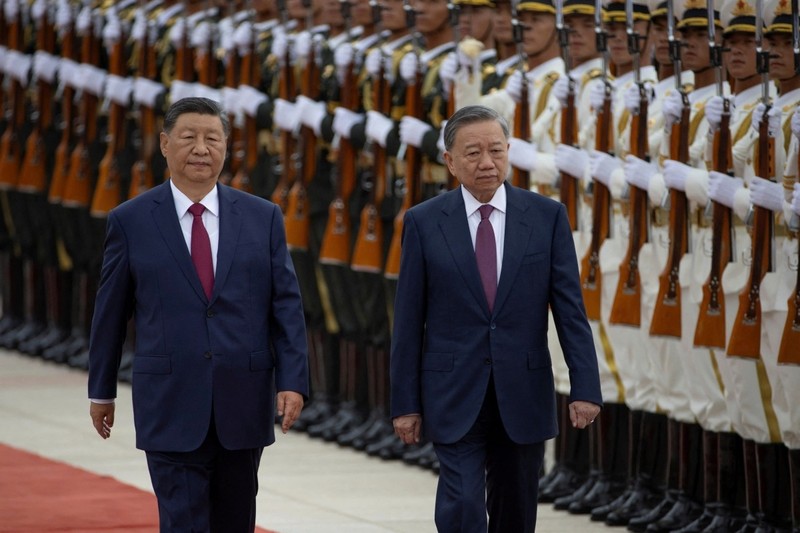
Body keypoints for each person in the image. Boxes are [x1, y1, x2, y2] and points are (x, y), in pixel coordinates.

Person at [87, 97, 309, 532]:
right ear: (165, 145)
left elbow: (286, 305)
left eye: (213, 138)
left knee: (235, 520)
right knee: (183, 521)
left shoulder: (262, 217)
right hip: (169, 399)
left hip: (242, 400)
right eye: (188, 138)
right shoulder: (131, 221)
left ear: (227, 147)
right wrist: (102, 390)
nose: (201, 149)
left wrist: (293, 381)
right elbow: (110, 314)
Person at [390, 104, 603, 532]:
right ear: (449, 161)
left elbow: (570, 312)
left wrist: (586, 387)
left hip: (522, 390)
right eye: (472, 153)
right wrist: (405, 404)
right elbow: (408, 322)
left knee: (516, 510)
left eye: (496, 150)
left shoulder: (546, 217)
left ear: (510, 152)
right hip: (452, 390)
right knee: (463, 505)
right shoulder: (424, 222)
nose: (486, 163)